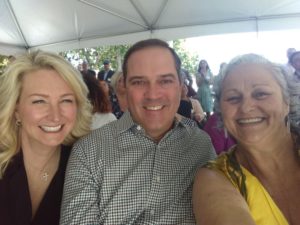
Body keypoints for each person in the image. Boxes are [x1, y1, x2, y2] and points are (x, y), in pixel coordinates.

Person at [60, 38, 216, 225]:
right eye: (139, 82)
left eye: (165, 81)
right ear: (124, 85)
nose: (152, 94)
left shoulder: (201, 145)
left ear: (181, 85)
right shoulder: (88, 151)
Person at [192, 53, 300, 225]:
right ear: (221, 110)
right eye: (233, 98)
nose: (246, 107)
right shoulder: (216, 177)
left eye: (261, 94)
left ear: (287, 102)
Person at [0, 50, 92, 225]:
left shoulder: (87, 164)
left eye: (66, 100)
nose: (55, 116)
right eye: (39, 101)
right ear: (16, 109)